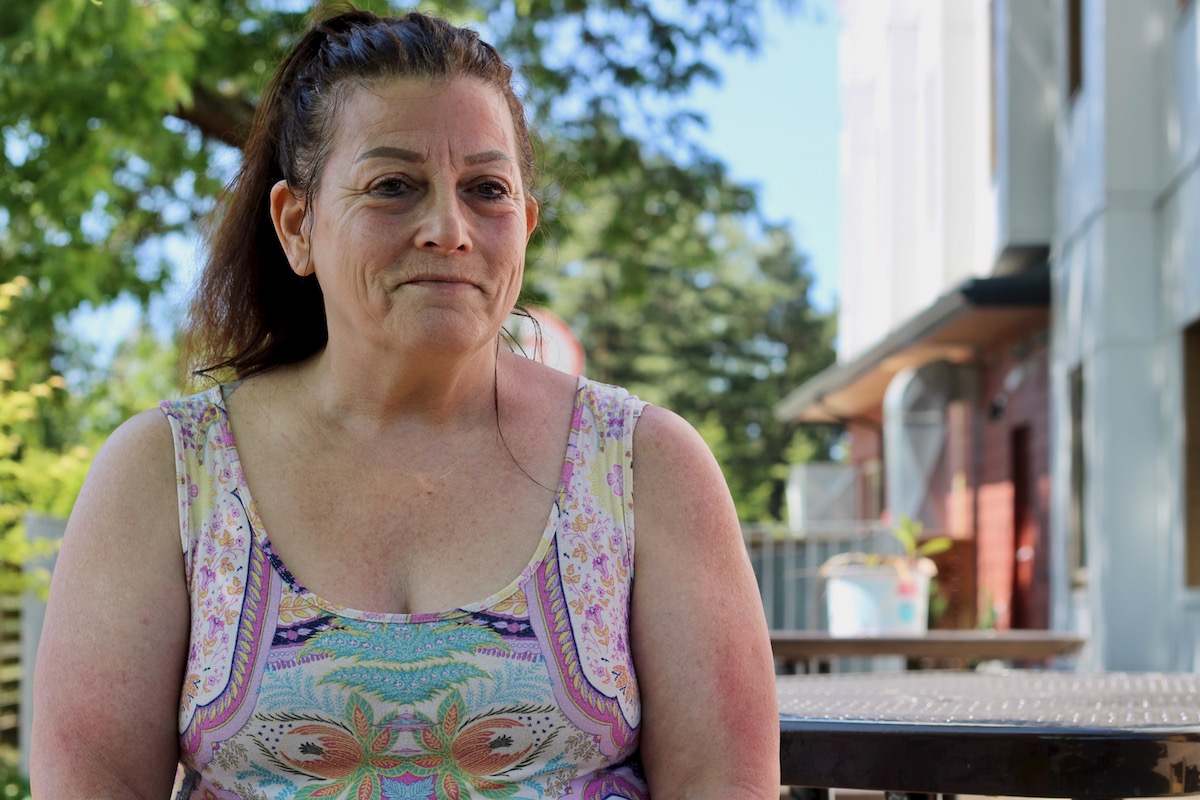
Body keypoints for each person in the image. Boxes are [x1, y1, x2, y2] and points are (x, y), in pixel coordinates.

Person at [31, 8, 779, 799]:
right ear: (297, 225)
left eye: (486, 190)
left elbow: (720, 782)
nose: (449, 228)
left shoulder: (644, 464)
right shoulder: (168, 474)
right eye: (394, 185)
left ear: (525, 225)